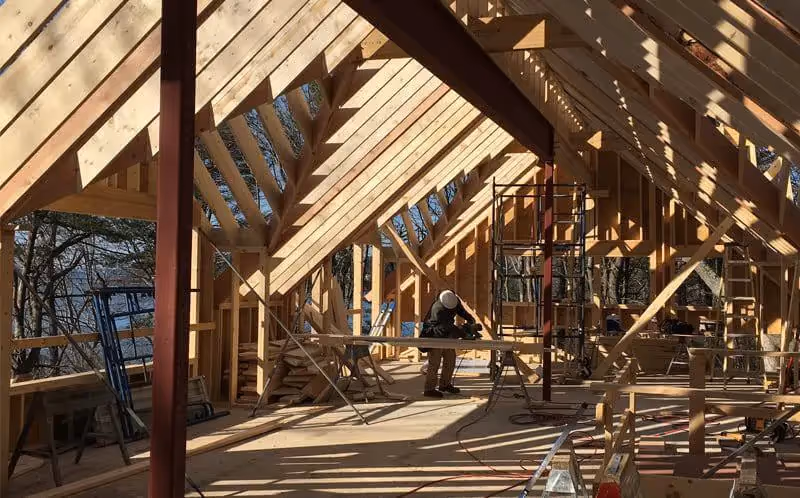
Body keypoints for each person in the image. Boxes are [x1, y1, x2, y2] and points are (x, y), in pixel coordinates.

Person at [419, 289, 476, 398]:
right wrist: (464, 334)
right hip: (435, 335)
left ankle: (445, 385)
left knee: (450, 360)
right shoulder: (437, 309)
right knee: (434, 363)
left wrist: (470, 320)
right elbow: (448, 326)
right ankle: (429, 389)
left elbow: (461, 311)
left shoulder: (453, 299)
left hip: (447, 335)